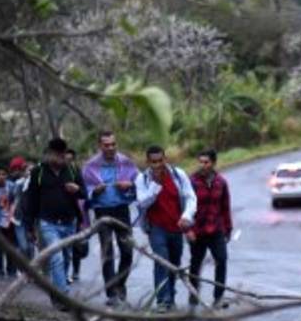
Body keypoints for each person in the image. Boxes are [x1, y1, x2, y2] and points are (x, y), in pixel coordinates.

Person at [23, 137, 86, 304]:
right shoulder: (38, 172)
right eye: (56, 155)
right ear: (49, 154)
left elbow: (85, 193)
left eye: (62, 155)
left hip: (69, 222)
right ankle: (63, 296)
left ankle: (57, 292)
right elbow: (31, 199)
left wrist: (77, 189)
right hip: (47, 222)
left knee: (65, 259)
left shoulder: (72, 170)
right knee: (56, 257)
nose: (60, 158)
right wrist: (29, 226)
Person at [135, 145, 197, 311]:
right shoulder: (143, 179)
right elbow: (142, 202)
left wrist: (186, 216)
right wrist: (155, 186)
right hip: (156, 228)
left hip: (176, 227)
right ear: (148, 162)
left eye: (160, 161)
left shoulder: (178, 175)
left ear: (165, 159)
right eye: (153, 162)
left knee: (174, 264)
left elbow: (191, 197)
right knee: (162, 262)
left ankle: (171, 295)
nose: (157, 165)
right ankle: (164, 300)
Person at [82, 131, 138, 306]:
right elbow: (83, 192)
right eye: (106, 145)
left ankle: (120, 285)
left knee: (128, 251)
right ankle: (111, 293)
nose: (111, 148)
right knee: (108, 253)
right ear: (100, 146)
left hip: (122, 210)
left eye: (113, 144)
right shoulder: (90, 166)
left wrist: (130, 185)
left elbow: (140, 183)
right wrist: (94, 191)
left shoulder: (126, 162)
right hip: (102, 212)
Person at [187, 148, 233, 310]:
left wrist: (228, 229)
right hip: (197, 231)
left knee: (221, 260)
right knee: (195, 264)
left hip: (216, 229)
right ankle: (193, 294)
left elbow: (225, 207)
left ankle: (218, 297)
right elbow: (184, 207)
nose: (202, 165)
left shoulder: (221, 182)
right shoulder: (191, 182)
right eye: (200, 162)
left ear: (213, 163)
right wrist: (188, 229)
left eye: (206, 162)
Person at [64, 147, 89, 284]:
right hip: (55, 217)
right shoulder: (54, 173)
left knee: (75, 246)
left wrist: (77, 189)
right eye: (65, 159)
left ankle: (75, 271)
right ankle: (63, 274)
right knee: (64, 248)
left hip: (75, 215)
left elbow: (84, 194)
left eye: (70, 159)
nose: (68, 162)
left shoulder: (76, 172)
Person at [7, 156, 32, 261]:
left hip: (31, 218)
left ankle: (31, 267)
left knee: (30, 245)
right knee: (23, 245)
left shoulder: (33, 183)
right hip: (18, 218)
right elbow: (11, 199)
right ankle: (24, 266)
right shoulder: (17, 184)